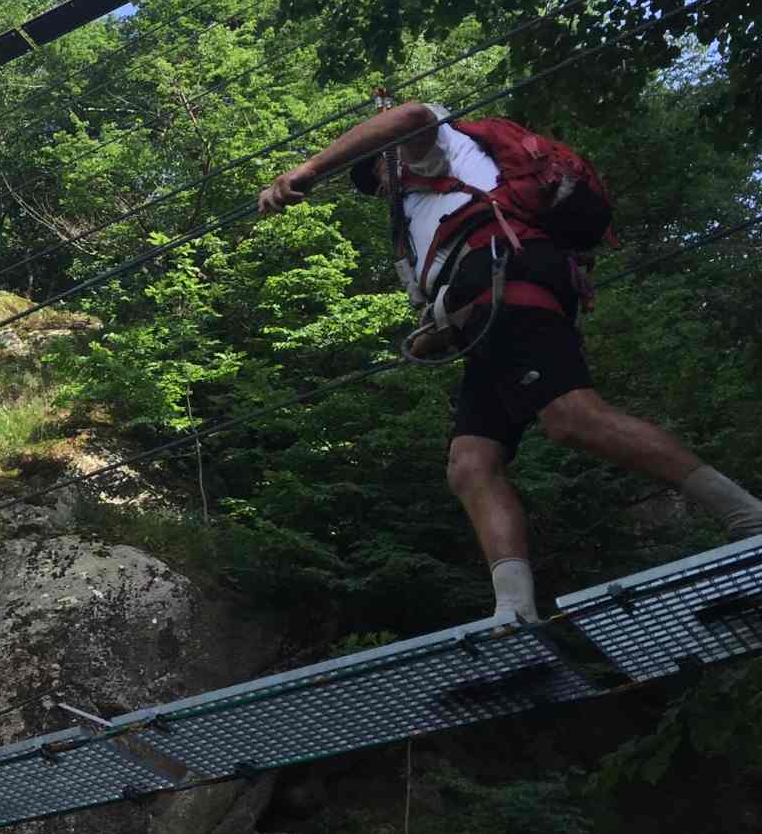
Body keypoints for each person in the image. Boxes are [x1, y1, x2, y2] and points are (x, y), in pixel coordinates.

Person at [256, 99, 762, 625]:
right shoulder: (416, 219)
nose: (379, 185)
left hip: (511, 280)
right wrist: (438, 328)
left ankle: (750, 521)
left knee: (572, 419)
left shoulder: (436, 154)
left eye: (376, 170)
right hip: (486, 313)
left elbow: (410, 118)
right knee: (471, 463)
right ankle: (515, 613)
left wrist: (310, 168)